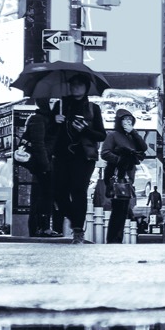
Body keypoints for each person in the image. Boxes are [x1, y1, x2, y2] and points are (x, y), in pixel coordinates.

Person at [51, 80, 104, 243]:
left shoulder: (93, 108)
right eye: (73, 84)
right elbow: (49, 132)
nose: (75, 87)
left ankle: (78, 230)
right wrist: (54, 120)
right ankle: (75, 219)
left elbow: (102, 135)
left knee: (78, 190)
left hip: (84, 156)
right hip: (61, 155)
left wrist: (85, 129)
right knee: (58, 191)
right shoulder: (59, 105)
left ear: (86, 88)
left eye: (79, 84)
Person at [101, 109, 147, 245]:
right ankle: (112, 239)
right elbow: (104, 153)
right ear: (119, 122)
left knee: (124, 209)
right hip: (116, 174)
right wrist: (120, 159)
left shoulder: (132, 137)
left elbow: (143, 148)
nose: (128, 122)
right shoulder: (113, 135)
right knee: (117, 208)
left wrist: (133, 132)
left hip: (128, 177)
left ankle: (117, 238)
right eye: (125, 120)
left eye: (130, 120)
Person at [22, 99, 57, 236]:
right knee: (41, 197)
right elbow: (38, 145)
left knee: (45, 196)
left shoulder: (49, 119)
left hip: (46, 164)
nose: (54, 104)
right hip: (42, 165)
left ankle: (42, 227)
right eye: (51, 101)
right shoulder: (38, 119)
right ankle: (40, 228)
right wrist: (45, 166)